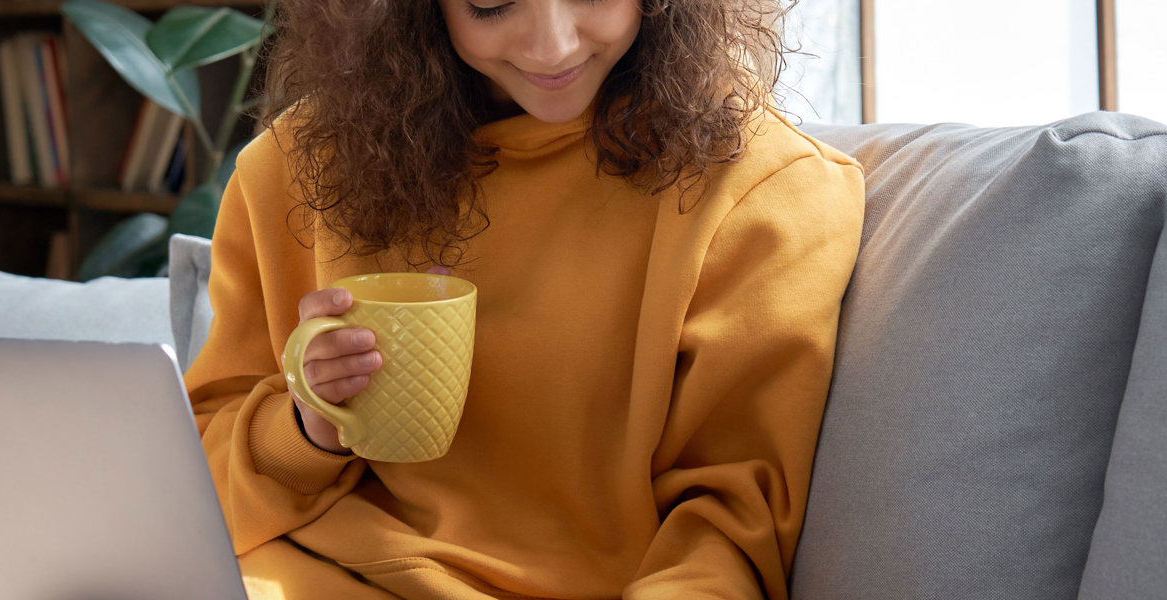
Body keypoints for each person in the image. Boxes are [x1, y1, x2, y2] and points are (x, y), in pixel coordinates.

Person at [184, 0, 864, 597]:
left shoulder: (764, 192)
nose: (553, 45)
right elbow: (182, 490)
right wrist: (305, 431)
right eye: (491, 3)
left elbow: (729, 525)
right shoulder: (296, 166)